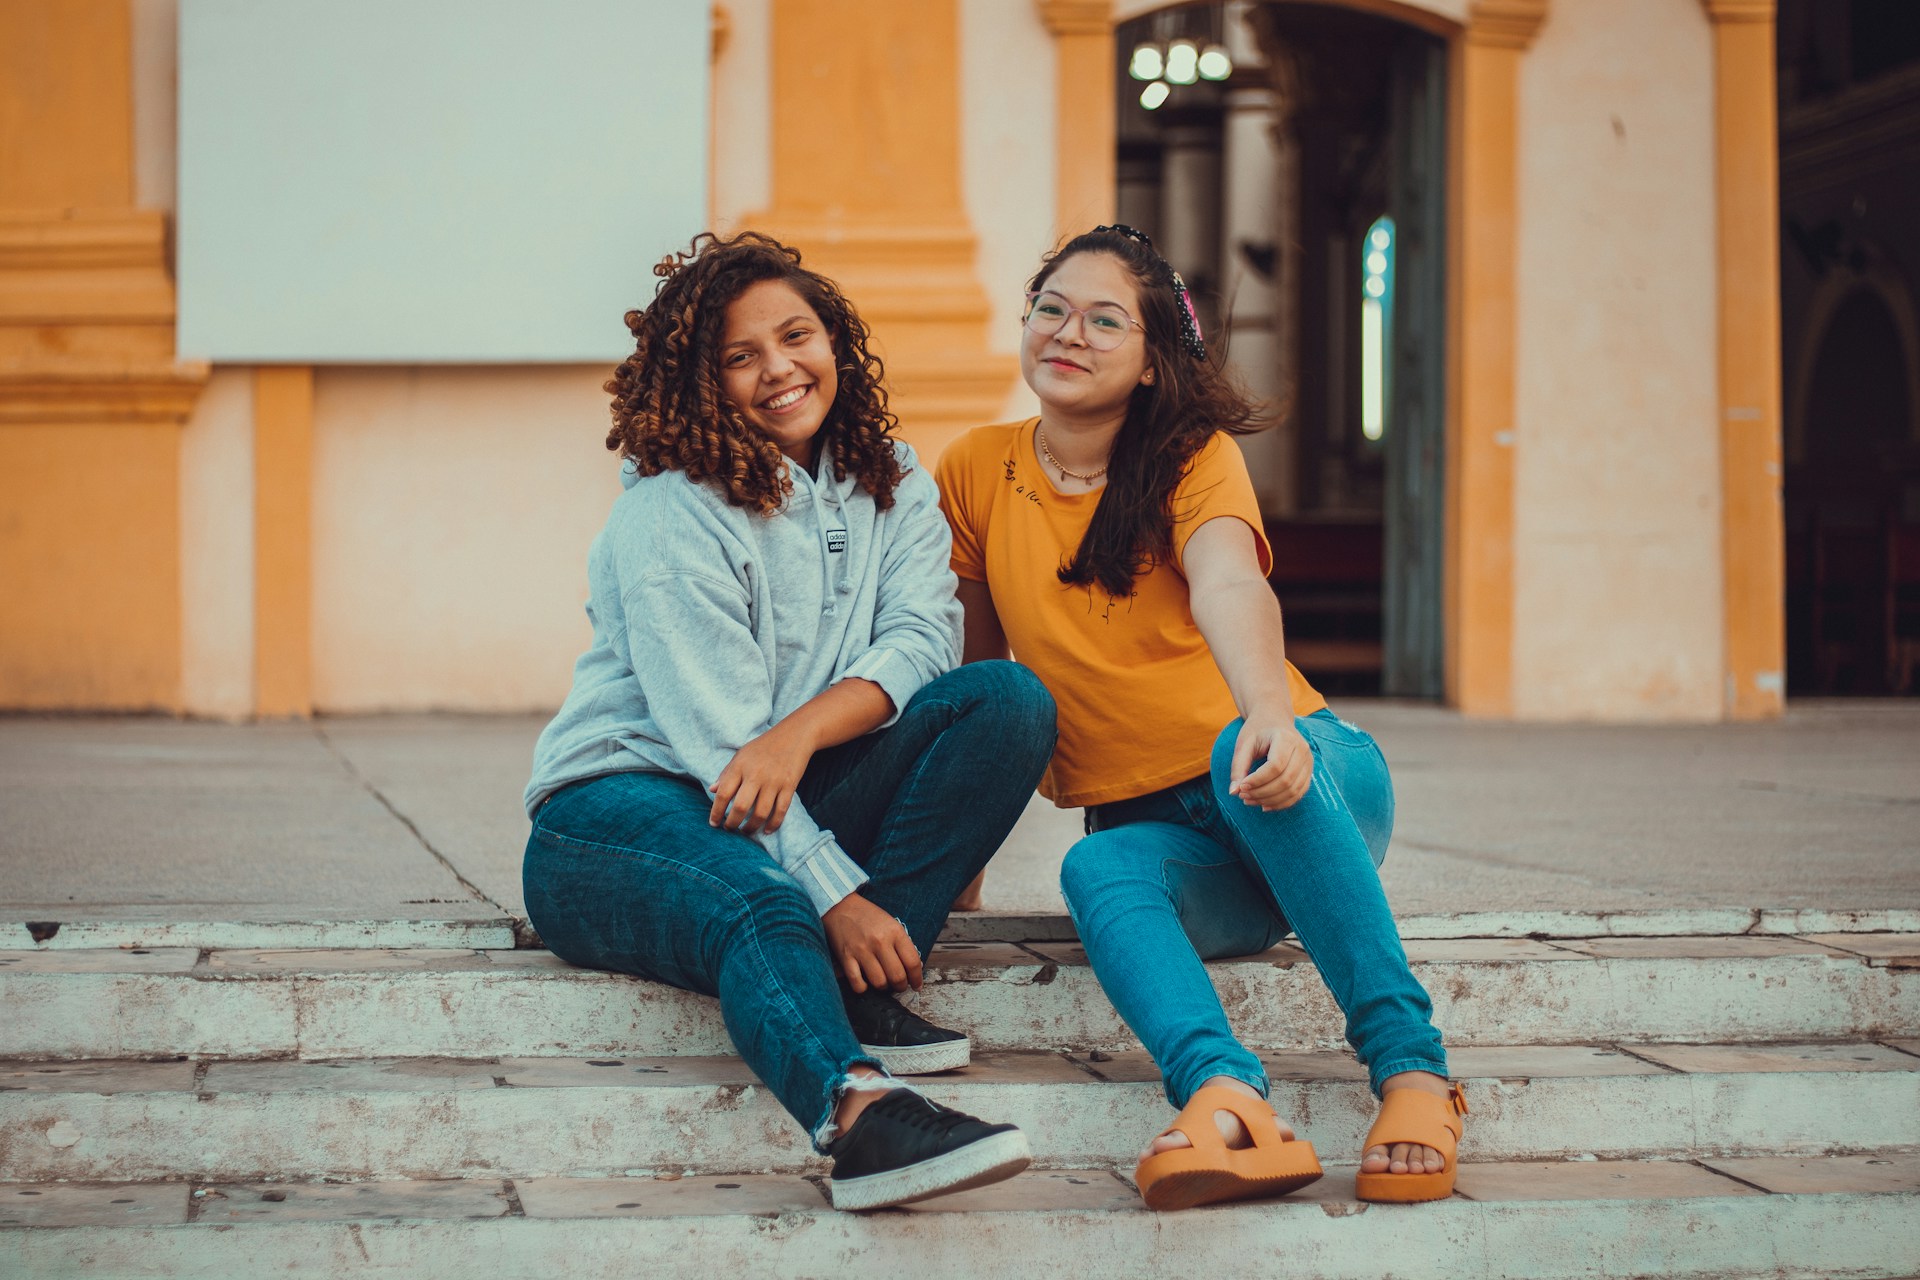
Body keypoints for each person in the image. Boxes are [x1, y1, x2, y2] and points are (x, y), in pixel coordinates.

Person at [522, 231, 1056, 1211]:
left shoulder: (887, 473)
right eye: (739, 355)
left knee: (1006, 700)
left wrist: (801, 732)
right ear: (699, 379)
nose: (779, 368)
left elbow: (927, 635)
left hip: (783, 777)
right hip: (612, 818)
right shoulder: (672, 514)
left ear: (837, 342)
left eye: (796, 334)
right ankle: (858, 1115)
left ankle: (848, 984)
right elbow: (726, 755)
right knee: (764, 899)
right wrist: (833, 895)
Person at [936, 225, 1461, 1210]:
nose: (1070, 333)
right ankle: (1226, 1098)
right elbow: (978, 669)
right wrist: (957, 859)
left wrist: (1270, 713)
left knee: (1237, 755)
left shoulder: (1191, 456)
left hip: (1300, 775)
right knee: (1094, 863)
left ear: (1147, 361)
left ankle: (1415, 1071)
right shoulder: (974, 468)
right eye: (1052, 308)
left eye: (1105, 319)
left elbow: (1230, 581)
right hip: (1174, 842)